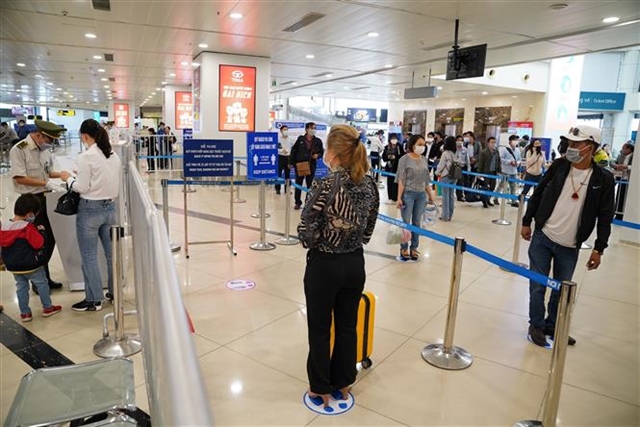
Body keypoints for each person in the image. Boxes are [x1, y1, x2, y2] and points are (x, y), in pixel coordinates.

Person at [297, 124, 379, 408]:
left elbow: (306, 228)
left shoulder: (325, 184)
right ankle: (343, 381)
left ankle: (320, 385)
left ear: (332, 152)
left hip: (325, 265)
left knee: (319, 327)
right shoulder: (370, 184)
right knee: (347, 326)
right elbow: (368, 230)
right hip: (355, 263)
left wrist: (322, 241)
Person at [521, 125, 615, 348]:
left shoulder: (603, 178)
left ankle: (553, 326)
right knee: (538, 285)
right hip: (543, 237)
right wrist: (527, 221)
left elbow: (605, 216)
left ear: (590, 148)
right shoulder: (560, 166)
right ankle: (536, 324)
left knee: (561, 290)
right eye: (569, 143)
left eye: (576, 144)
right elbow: (540, 191)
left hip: (570, 244)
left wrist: (599, 248)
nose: (570, 147)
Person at [60, 119, 121, 312]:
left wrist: (68, 178)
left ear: (85, 136)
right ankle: (114, 293)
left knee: (89, 256)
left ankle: (94, 300)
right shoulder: (113, 156)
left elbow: (81, 187)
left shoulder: (86, 157)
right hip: (110, 209)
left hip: (90, 210)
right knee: (112, 254)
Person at [9, 119, 69, 293]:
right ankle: (39, 280)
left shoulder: (44, 150)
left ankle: (43, 276)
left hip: (45, 199)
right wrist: (45, 183)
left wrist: (65, 175)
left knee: (49, 238)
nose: (50, 144)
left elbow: (49, 172)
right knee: (37, 240)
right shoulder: (19, 149)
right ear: (39, 135)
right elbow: (19, 177)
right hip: (29, 201)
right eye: (49, 140)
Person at [0, 194, 63, 322]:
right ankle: (48, 307)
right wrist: (40, 231)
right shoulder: (27, 227)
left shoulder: (4, 227)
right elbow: (38, 243)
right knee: (42, 284)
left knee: (21, 287)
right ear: (30, 214)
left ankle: (25, 314)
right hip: (31, 265)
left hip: (13, 266)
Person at [396, 134, 436, 260]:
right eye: (419, 144)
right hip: (408, 194)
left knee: (417, 222)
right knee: (406, 222)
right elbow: (401, 180)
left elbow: (426, 180)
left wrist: (430, 195)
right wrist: (399, 198)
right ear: (412, 145)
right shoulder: (404, 159)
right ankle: (404, 248)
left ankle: (414, 248)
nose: (422, 147)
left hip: (421, 195)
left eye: (423, 144)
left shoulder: (424, 159)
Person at [290, 122, 324, 210]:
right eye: (312, 128)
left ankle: (308, 202)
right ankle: (297, 202)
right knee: (298, 184)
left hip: (311, 165)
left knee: (310, 185)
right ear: (307, 129)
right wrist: (290, 162)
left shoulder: (318, 141)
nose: (313, 130)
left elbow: (321, 152)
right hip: (300, 165)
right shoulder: (300, 139)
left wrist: (318, 155)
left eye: (315, 128)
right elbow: (293, 151)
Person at [436, 136, 458, 222]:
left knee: (445, 196)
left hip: (446, 176)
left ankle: (445, 216)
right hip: (454, 176)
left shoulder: (445, 153)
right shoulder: (455, 153)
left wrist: (436, 172)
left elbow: (441, 165)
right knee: (451, 195)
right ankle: (450, 214)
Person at [476, 136, 501, 207]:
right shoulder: (484, 152)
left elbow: (498, 162)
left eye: (494, 142)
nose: (493, 144)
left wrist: (499, 170)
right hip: (486, 172)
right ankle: (484, 201)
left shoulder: (496, 152)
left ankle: (488, 199)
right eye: (492, 142)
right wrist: (479, 173)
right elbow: (480, 163)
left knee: (492, 187)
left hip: (493, 172)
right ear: (488, 143)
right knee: (485, 187)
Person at [611, 142, 634, 219]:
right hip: (620, 178)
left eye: (623, 148)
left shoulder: (635, 156)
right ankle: (618, 213)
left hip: (629, 180)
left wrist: (626, 167)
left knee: (625, 197)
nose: (622, 150)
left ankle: (623, 214)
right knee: (619, 196)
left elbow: (635, 166)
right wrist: (616, 166)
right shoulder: (621, 156)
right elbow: (613, 163)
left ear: (629, 149)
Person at [499, 135, 522, 207]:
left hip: (514, 171)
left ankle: (513, 201)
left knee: (514, 186)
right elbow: (501, 159)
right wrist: (509, 162)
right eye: (514, 140)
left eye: (517, 140)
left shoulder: (517, 150)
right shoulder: (504, 149)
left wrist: (517, 163)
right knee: (501, 185)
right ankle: (495, 198)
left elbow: (519, 159)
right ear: (510, 141)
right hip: (506, 170)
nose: (516, 142)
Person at [382, 133, 405, 204]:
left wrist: (395, 157)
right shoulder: (387, 147)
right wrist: (389, 157)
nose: (394, 140)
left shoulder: (399, 147)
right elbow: (384, 157)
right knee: (389, 182)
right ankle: (390, 197)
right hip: (389, 167)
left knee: (396, 183)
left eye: (395, 138)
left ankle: (396, 198)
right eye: (392, 138)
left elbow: (402, 156)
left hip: (397, 167)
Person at [275, 125, 292, 195]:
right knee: (278, 174)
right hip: (280, 157)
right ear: (281, 131)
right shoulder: (278, 139)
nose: (286, 131)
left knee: (287, 175)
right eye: (284, 130)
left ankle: (287, 189)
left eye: (287, 129)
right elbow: (276, 148)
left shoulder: (290, 140)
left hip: (288, 158)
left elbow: (292, 149)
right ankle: (278, 189)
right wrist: (282, 150)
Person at [454, 135, 470, 201]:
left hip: (462, 167)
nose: (460, 142)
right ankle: (458, 195)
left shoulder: (465, 149)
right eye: (458, 140)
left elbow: (467, 160)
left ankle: (460, 195)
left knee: (461, 182)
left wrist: (469, 168)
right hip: (455, 167)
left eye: (461, 140)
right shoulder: (454, 149)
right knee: (457, 182)